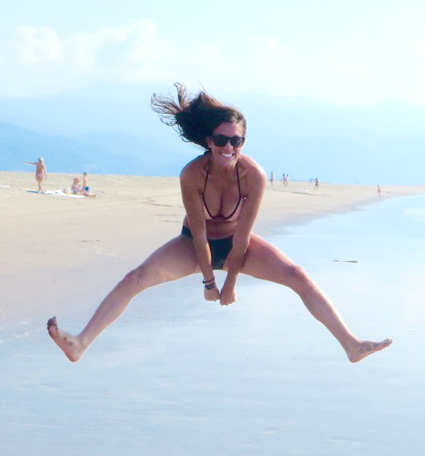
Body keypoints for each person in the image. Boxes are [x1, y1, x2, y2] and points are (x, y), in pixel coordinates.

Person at [47, 84, 391, 364]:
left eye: (235, 141)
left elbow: (243, 237)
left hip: (238, 243)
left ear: (243, 142)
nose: (228, 147)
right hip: (192, 245)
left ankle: (351, 345)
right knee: (134, 279)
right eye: (221, 140)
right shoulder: (192, 174)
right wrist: (209, 283)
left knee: (297, 275)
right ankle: (80, 343)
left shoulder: (254, 175)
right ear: (209, 142)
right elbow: (198, 234)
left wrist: (231, 284)